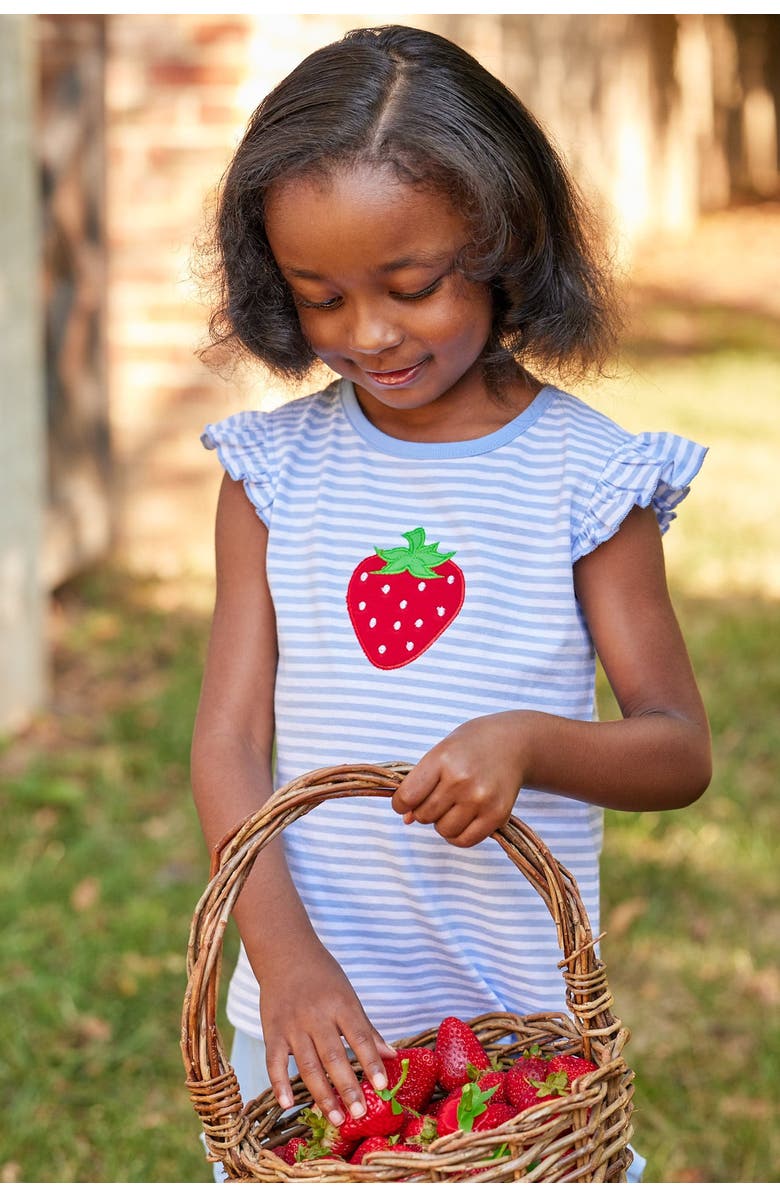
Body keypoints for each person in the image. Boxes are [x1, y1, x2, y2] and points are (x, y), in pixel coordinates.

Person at [190, 24, 711, 1181]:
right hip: (314, 1011)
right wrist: (286, 961)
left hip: (516, 1024)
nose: (366, 332)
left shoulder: (587, 478)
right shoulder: (273, 475)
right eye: (319, 296)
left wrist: (527, 740)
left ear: (502, 243)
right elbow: (227, 740)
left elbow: (678, 749)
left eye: (411, 286)